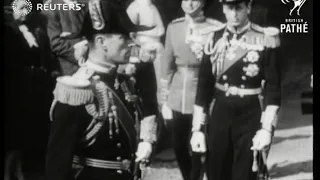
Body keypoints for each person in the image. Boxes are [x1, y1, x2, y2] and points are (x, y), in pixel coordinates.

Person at [45, 0, 158, 180]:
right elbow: (57, 166)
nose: (131, 43)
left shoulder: (124, 82)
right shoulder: (77, 92)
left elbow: (149, 103)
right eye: (124, 37)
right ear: (101, 41)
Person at [190, 0, 282, 180]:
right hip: (220, 115)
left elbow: (274, 89)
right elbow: (203, 87)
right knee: (216, 171)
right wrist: (198, 129)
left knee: (245, 173)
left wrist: (267, 128)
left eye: (238, 8)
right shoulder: (213, 38)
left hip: (250, 116)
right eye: (229, 8)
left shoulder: (265, 38)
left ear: (248, 8)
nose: (234, 14)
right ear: (223, 9)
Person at [159, 0, 223, 180]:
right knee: (179, 146)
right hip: (178, 95)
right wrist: (164, 100)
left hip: (205, 94)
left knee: (201, 143)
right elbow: (167, 67)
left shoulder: (216, 28)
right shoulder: (174, 27)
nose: (189, 3)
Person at [4, 0, 57, 179]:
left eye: (27, 9)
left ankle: (21, 168)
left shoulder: (35, 31)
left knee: (26, 130)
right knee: (13, 131)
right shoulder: (8, 32)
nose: (24, 13)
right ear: (11, 10)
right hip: (14, 87)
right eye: (20, 9)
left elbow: (43, 56)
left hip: (32, 88)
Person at [126, 0, 165, 102]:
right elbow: (129, 32)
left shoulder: (154, 6)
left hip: (158, 49)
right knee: (146, 85)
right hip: (142, 49)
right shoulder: (134, 7)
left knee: (162, 83)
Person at [43, 0, 88, 76]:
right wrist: (80, 54)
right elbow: (55, 44)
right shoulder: (51, 9)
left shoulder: (83, 5)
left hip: (87, 63)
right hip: (69, 69)